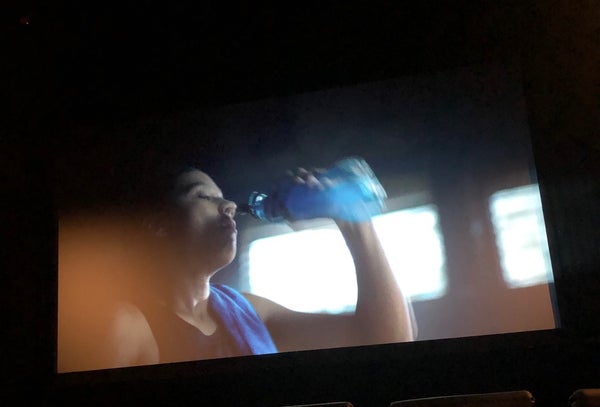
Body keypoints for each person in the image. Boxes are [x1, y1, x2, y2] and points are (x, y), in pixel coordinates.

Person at [60, 154, 416, 371]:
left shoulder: (250, 313)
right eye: (203, 196)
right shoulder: (126, 327)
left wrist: (354, 220)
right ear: (157, 225)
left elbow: (389, 340)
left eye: (224, 197)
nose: (229, 205)